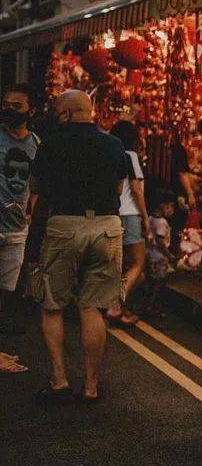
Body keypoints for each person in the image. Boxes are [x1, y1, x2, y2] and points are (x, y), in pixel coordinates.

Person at [31, 89, 129, 403]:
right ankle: (90, 386)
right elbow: (118, 187)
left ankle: (59, 379)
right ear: (91, 110)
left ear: (65, 114)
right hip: (106, 227)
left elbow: (36, 189)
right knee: (92, 306)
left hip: (64, 224)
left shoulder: (51, 144)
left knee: (53, 304)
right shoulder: (114, 144)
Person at [0, 83, 38, 337]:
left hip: (16, 229)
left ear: (30, 111)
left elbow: (36, 185)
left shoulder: (36, 143)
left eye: (17, 106)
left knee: (6, 290)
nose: (10, 110)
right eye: (6, 105)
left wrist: (30, 214)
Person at [108, 120, 150, 325]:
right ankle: (115, 304)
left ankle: (120, 308)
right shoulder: (131, 156)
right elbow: (137, 189)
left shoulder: (110, 153)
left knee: (120, 264)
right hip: (130, 214)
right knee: (137, 263)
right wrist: (145, 216)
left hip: (112, 214)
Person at [145, 188, 178, 313]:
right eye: (170, 206)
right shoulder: (162, 222)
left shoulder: (150, 218)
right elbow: (160, 242)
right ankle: (151, 304)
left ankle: (149, 303)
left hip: (150, 253)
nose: (172, 210)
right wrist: (169, 255)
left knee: (152, 280)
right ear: (162, 205)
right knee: (159, 281)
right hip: (159, 256)